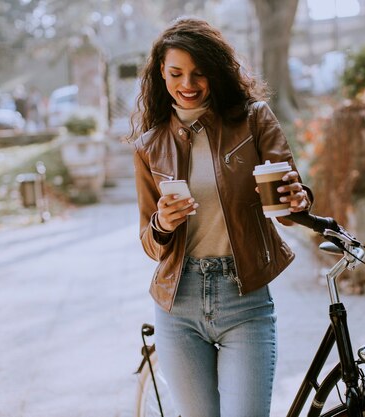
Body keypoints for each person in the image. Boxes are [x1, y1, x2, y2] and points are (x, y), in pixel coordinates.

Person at [130, 17, 312, 417]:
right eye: (176, 73)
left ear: (217, 72)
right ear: (162, 72)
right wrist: (163, 223)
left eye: (200, 73)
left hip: (243, 299)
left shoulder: (253, 119)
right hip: (178, 304)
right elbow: (149, 242)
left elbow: (289, 206)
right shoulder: (149, 146)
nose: (188, 84)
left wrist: (298, 199)